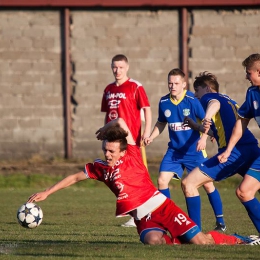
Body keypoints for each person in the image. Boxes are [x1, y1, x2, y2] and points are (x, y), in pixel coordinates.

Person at [26, 118, 260, 245]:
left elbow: (121, 122)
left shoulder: (133, 155)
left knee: (201, 242)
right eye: (105, 150)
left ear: (121, 150)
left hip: (162, 207)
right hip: (142, 218)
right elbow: (76, 176)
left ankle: (240, 240)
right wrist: (47, 192)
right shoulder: (100, 168)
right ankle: (178, 240)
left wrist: (107, 127)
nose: (107, 154)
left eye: (111, 151)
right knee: (152, 242)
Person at [144, 68, 226, 231]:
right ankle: (166, 220)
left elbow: (206, 122)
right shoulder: (164, 102)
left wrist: (203, 138)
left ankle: (220, 222)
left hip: (194, 151)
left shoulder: (192, 100)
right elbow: (161, 123)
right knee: (161, 181)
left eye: (176, 83)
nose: (172, 86)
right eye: (170, 83)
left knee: (208, 185)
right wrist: (152, 136)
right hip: (174, 151)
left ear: (183, 84)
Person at [181, 71, 260, 235]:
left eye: (197, 91)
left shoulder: (209, 98)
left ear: (208, 88)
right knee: (247, 191)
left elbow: (213, 104)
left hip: (233, 153)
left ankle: (195, 236)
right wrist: (197, 126)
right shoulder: (228, 99)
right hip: (250, 147)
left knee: (189, 183)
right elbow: (222, 126)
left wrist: (207, 116)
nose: (196, 95)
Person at [101, 54, 152, 227]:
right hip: (114, 140)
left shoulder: (135, 86)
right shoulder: (108, 89)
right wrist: (105, 136)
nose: (117, 70)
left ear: (127, 67)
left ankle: (142, 212)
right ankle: (134, 211)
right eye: (114, 67)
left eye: (121, 67)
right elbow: (108, 116)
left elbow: (147, 109)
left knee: (137, 177)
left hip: (131, 140)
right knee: (119, 176)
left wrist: (146, 132)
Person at [217, 53, 260, 236]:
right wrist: (229, 149)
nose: (246, 77)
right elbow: (241, 122)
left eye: (248, 73)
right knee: (244, 191)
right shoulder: (252, 94)